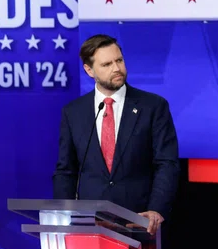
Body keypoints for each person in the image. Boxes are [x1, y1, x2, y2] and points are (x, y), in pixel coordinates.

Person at [53, 34, 179, 234]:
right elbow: (65, 170)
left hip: (140, 221)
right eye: (106, 64)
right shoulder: (73, 112)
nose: (116, 69)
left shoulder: (153, 106)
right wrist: (63, 214)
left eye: (119, 60)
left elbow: (167, 163)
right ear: (89, 70)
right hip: (89, 224)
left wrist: (156, 209)